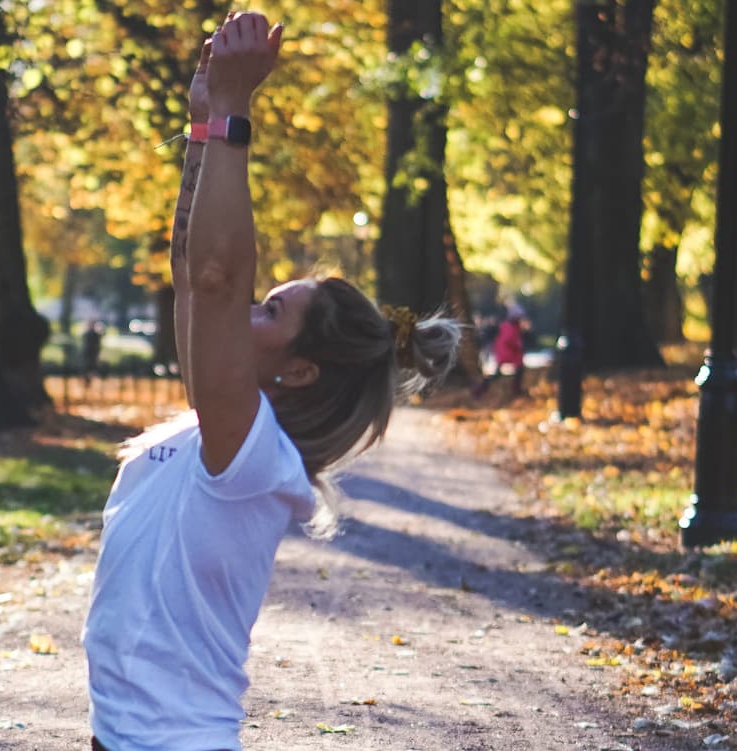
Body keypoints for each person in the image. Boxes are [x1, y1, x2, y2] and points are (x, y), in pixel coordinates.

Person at [81, 13, 462, 751]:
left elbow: (219, 278)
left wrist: (234, 111)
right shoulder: (214, 427)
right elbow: (196, 272)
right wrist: (201, 125)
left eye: (270, 310)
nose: (246, 309)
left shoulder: (250, 455)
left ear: (299, 369)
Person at [472, 301, 526, 400]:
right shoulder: (509, 327)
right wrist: (518, 345)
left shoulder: (512, 326)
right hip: (507, 352)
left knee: (501, 373)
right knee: (518, 369)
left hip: (508, 352)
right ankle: (516, 389)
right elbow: (508, 340)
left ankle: (481, 388)